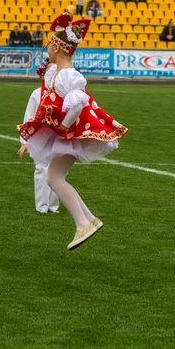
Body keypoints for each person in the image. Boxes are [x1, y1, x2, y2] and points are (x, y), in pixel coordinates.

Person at [18, 13, 128, 250]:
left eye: (49, 43)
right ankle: (89, 220)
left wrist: (65, 126)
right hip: (68, 137)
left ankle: (82, 224)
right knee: (55, 177)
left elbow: (77, 102)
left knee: (54, 178)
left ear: (57, 47)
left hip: (70, 136)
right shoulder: (58, 72)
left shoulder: (67, 74)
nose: (47, 47)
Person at [18, 57, 60, 214]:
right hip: (41, 138)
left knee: (56, 171)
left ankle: (53, 206)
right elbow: (29, 117)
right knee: (42, 168)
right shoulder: (37, 94)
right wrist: (25, 142)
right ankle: (42, 206)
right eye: (50, 71)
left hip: (57, 136)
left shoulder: (62, 94)